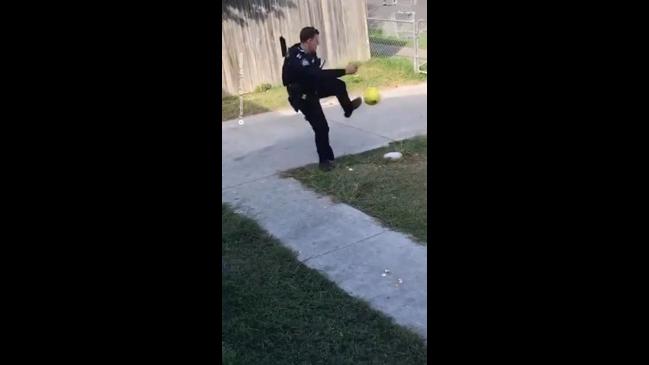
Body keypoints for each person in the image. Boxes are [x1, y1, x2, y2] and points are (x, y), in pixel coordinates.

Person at [282, 26, 362, 171]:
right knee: (322, 128)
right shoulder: (298, 60)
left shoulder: (308, 52)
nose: (318, 44)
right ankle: (324, 161)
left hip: (312, 86)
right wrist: (345, 71)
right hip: (303, 97)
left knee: (338, 85)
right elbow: (319, 75)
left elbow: (317, 74)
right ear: (309, 40)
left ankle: (348, 108)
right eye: (316, 41)